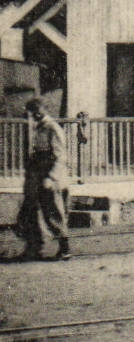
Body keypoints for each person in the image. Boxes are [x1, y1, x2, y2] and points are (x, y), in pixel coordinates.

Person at [11, 97, 71, 261]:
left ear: (39, 111)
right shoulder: (39, 127)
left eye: (32, 113)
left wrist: (51, 178)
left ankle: (65, 248)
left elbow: (60, 157)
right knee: (30, 212)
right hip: (36, 173)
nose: (30, 116)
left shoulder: (53, 128)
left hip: (48, 175)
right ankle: (34, 248)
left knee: (53, 212)